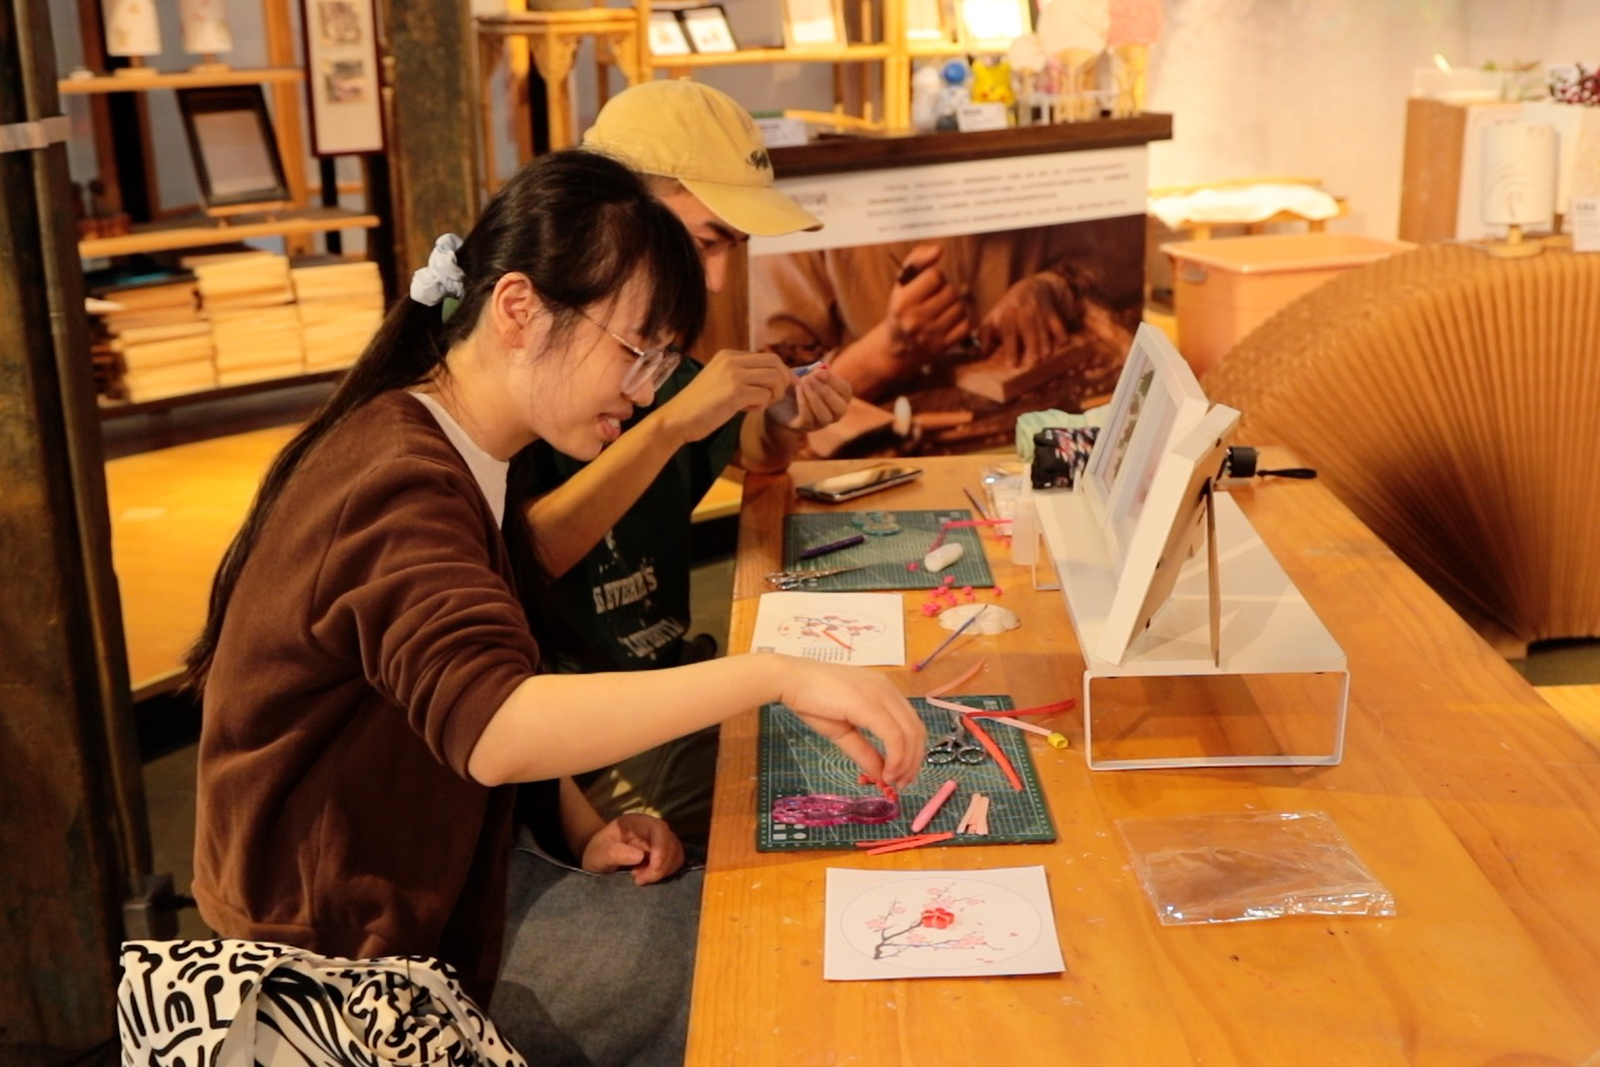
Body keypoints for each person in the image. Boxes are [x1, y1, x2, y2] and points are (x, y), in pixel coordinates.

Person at [186, 150, 925, 1065]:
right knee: (766, 963)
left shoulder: (458, 448)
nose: (648, 387)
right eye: (637, 351)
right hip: (344, 971)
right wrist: (772, 674)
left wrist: (581, 826)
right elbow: (495, 720)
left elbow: (482, 682)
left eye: (663, 359)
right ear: (518, 310)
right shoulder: (399, 479)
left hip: (446, 882)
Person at [512, 79, 852, 842]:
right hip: (580, 735)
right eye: (704, 241)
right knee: (814, 783)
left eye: (733, 244)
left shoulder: (659, 365)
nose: (718, 278)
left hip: (665, 688)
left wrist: (786, 420)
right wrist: (664, 427)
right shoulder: (533, 375)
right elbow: (519, 557)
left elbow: (746, 453)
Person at [751, 222, 1145, 453]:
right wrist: (886, 351)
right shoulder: (803, 224)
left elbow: (1106, 267)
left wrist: (1051, 288)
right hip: (878, 461)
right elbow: (779, 407)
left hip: (1023, 438)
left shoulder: (1011, 167)